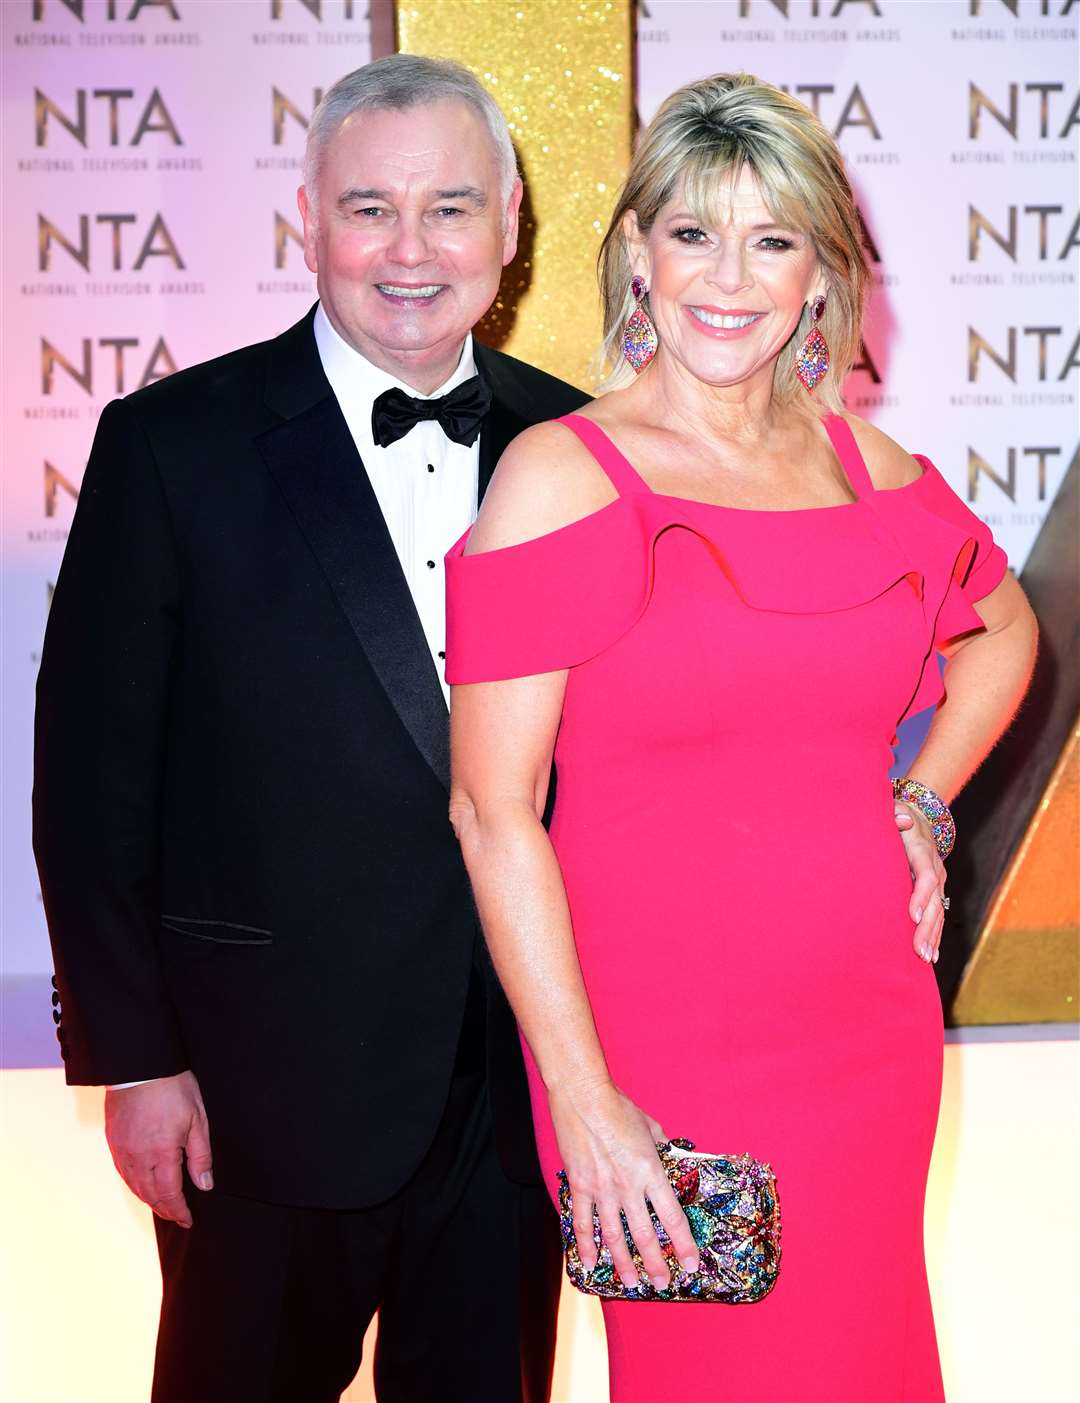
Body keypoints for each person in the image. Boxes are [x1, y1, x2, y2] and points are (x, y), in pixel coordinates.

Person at [445, 73, 1038, 1403]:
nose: (729, 275)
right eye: (692, 232)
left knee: (869, 1361)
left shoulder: (873, 475)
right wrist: (586, 1100)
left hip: (866, 1035)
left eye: (772, 238)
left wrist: (925, 803)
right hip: (652, 1052)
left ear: (822, 273)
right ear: (637, 254)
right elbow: (493, 813)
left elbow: (1004, 638)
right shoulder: (562, 476)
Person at [33, 55, 587, 1403]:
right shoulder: (173, 445)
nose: (412, 250)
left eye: (452, 208)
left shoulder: (578, 446)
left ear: (511, 228)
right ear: (308, 217)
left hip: (513, 1097)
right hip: (255, 1094)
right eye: (371, 209)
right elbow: (91, 779)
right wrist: (138, 1058)